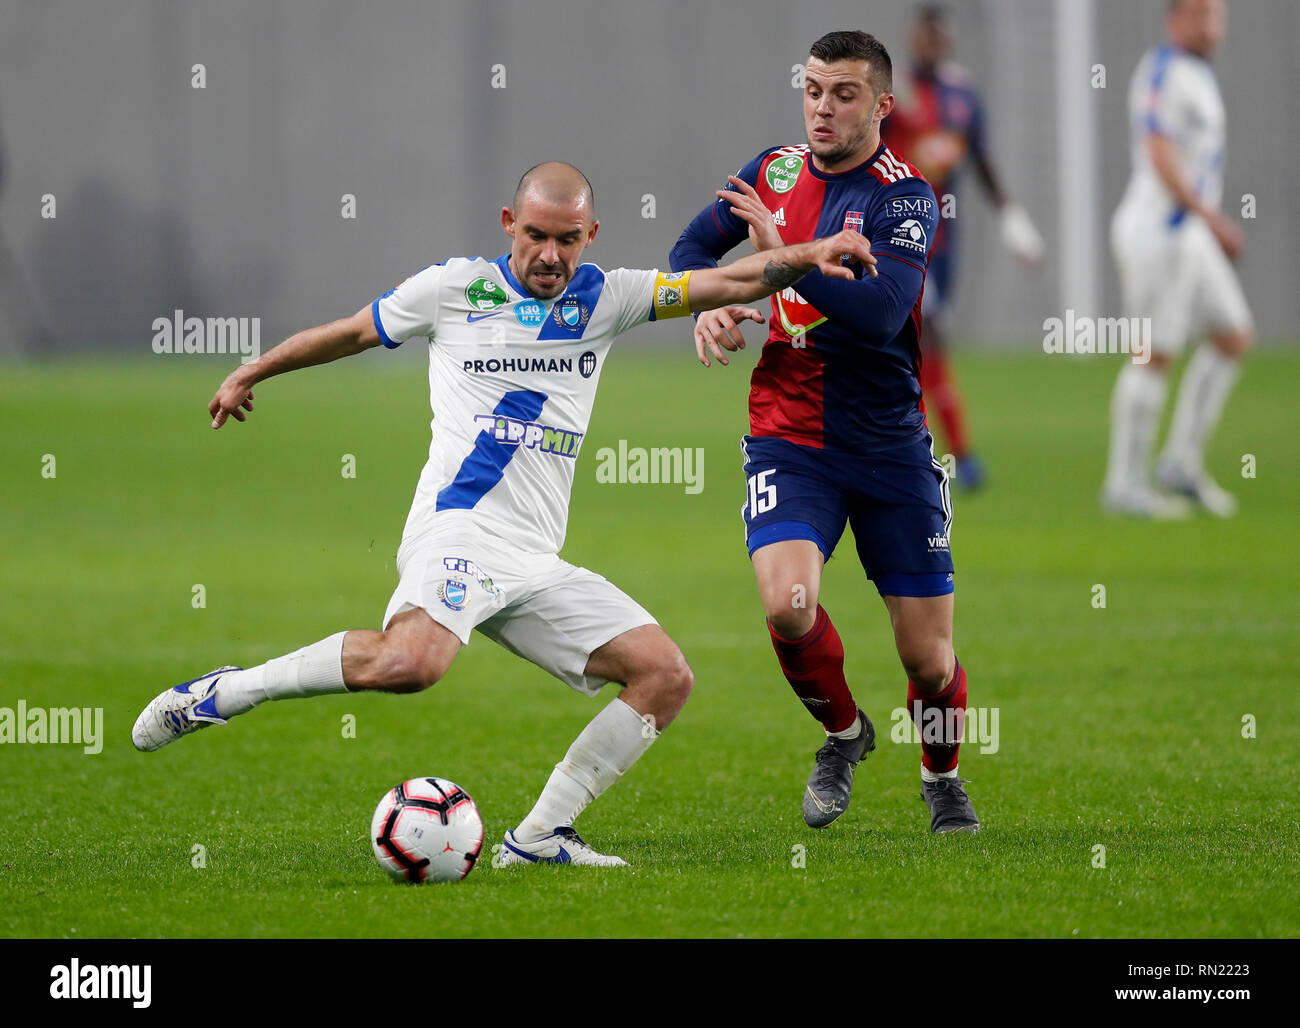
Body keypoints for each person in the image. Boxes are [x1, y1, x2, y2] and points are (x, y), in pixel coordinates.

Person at [131, 162, 873, 868]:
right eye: (536, 236)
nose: (550, 255)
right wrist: (254, 367)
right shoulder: (454, 289)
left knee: (664, 674)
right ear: (509, 223)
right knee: (412, 663)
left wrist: (816, 250)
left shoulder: (609, 298)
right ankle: (228, 692)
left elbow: (738, 275)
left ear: (592, 236)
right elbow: (354, 332)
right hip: (458, 528)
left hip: (531, 558)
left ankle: (542, 834)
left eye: (567, 239)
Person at [670, 31, 979, 834]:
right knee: (789, 606)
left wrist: (786, 260)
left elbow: (879, 318)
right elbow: (693, 248)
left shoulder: (902, 197)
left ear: (881, 106)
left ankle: (941, 776)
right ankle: (845, 737)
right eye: (813, 90)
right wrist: (708, 303)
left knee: (929, 661)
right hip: (789, 436)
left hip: (888, 446)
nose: (822, 108)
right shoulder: (772, 171)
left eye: (844, 94)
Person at [881, 3, 1044, 490]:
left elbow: (980, 160)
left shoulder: (961, 96)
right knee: (920, 340)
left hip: (944, 241)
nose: (930, 44)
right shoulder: (892, 96)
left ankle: (937, 452)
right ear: (913, 38)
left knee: (923, 341)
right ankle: (950, 454)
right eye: (923, 36)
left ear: (946, 39)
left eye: (938, 36)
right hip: (896, 238)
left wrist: (1013, 220)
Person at [1103, 0, 1250, 518]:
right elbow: (1160, 151)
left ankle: (1181, 463)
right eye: (1201, 13)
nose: (1213, 24)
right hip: (1159, 231)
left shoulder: (1199, 75)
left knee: (1233, 335)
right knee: (1152, 354)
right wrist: (1209, 217)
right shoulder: (1163, 68)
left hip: (1188, 232)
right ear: (1175, 19)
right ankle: (1125, 485)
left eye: (1218, 14)